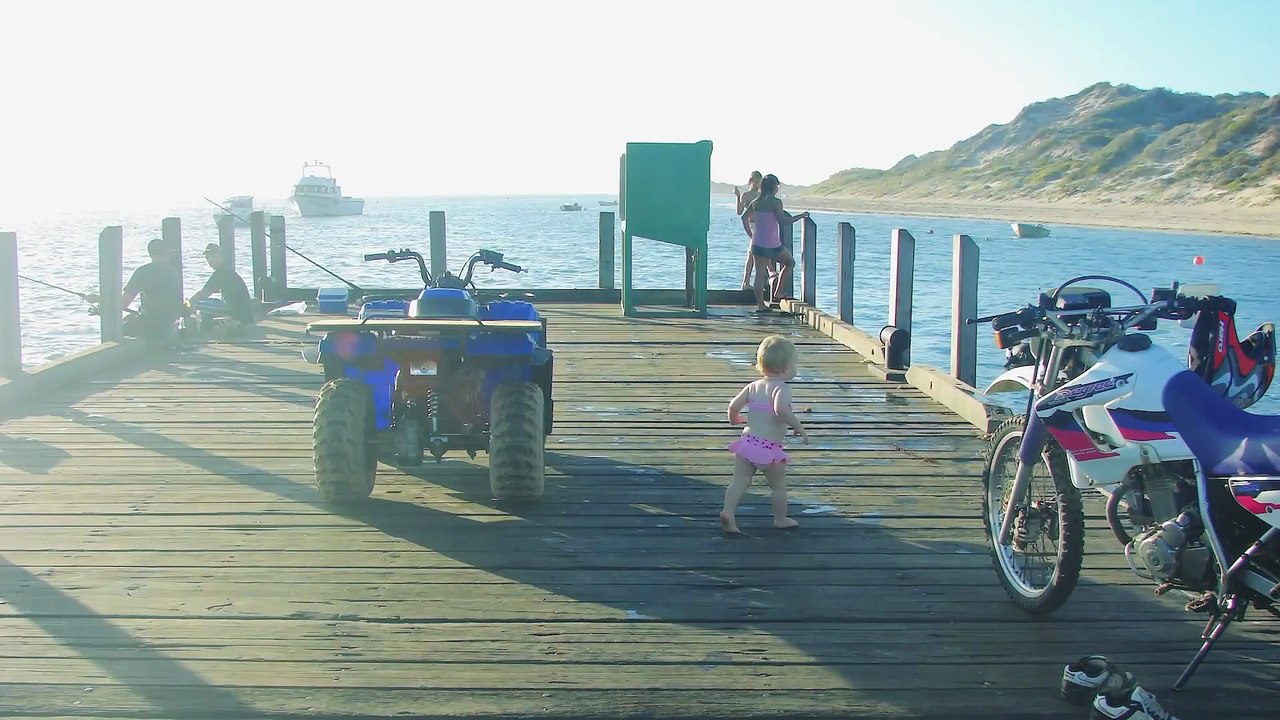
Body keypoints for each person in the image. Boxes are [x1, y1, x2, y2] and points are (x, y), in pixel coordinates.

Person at [720, 335, 809, 534]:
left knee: (739, 481)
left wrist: (735, 419)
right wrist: (798, 426)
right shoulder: (782, 387)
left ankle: (728, 511)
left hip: (748, 443)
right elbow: (781, 410)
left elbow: (733, 406)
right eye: (795, 364)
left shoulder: (753, 386)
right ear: (786, 368)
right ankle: (780, 518)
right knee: (778, 487)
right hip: (769, 449)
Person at [85, 237, 183, 343]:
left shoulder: (143, 272)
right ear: (165, 253)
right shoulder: (172, 272)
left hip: (153, 327)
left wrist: (97, 299)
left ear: (150, 254)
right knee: (130, 319)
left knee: (119, 330)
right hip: (171, 325)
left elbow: (123, 303)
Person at [742, 174, 807, 311]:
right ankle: (778, 292)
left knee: (759, 273)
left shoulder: (756, 202)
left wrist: (750, 234)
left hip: (757, 242)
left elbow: (744, 218)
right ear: (774, 187)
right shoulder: (776, 202)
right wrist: (801, 216)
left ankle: (761, 305)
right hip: (772, 243)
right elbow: (783, 221)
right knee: (790, 263)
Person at [188, 243, 255, 333]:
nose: (210, 260)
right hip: (242, 311)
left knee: (197, 304)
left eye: (213, 256)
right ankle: (207, 327)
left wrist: (188, 304)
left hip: (235, 311)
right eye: (207, 257)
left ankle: (200, 330)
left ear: (221, 257)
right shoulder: (227, 271)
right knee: (206, 302)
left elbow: (203, 294)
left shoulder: (220, 273)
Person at [734, 171, 764, 290]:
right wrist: (737, 196)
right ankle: (745, 282)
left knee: (762, 254)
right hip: (753, 225)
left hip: (763, 225)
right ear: (750, 181)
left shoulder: (762, 195)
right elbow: (739, 212)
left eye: (759, 181)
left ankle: (762, 282)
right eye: (755, 181)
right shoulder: (746, 195)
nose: (757, 184)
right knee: (752, 253)